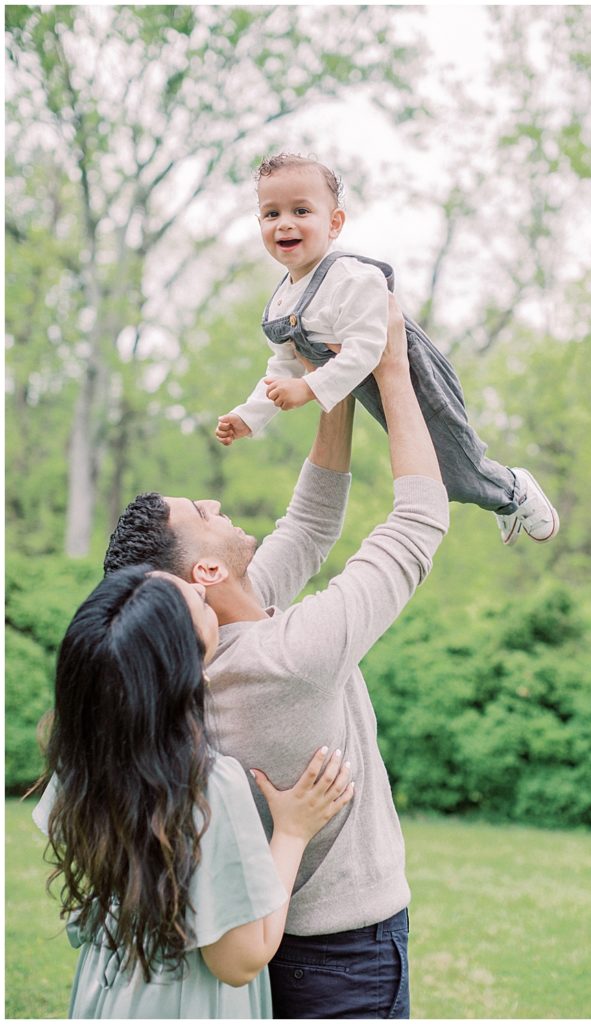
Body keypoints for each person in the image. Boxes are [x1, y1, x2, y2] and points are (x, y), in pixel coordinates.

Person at [103, 300, 448, 1018]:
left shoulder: (202, 653)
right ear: (204, 575)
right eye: (201, 514)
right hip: (346, 956)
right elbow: (418, 521)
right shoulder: (287, 658)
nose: (214, 498)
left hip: (275, 938)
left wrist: (329, 382)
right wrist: (386, 369)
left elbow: (313, 522)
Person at [32, 565, 353, 1019]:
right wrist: (293, 832)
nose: (206, 590)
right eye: (199, 603)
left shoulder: (82, 756)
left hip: (109, 990)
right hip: (183, 1002)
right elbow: (238, 960)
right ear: (183, 660)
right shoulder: (205, 785)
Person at [216, 151, 559, 547]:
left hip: (411, 375)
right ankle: (501, 498)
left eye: (301, 210)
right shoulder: (283, 300)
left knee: (449, 464)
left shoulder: (350, 278)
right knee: (426, 471)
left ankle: (512, 491)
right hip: (369, 387)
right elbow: (283, 366)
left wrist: (310, 389)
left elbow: (369, 349)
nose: (285, 223)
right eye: (272, 214)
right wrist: (250, 416)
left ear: (334, 223)